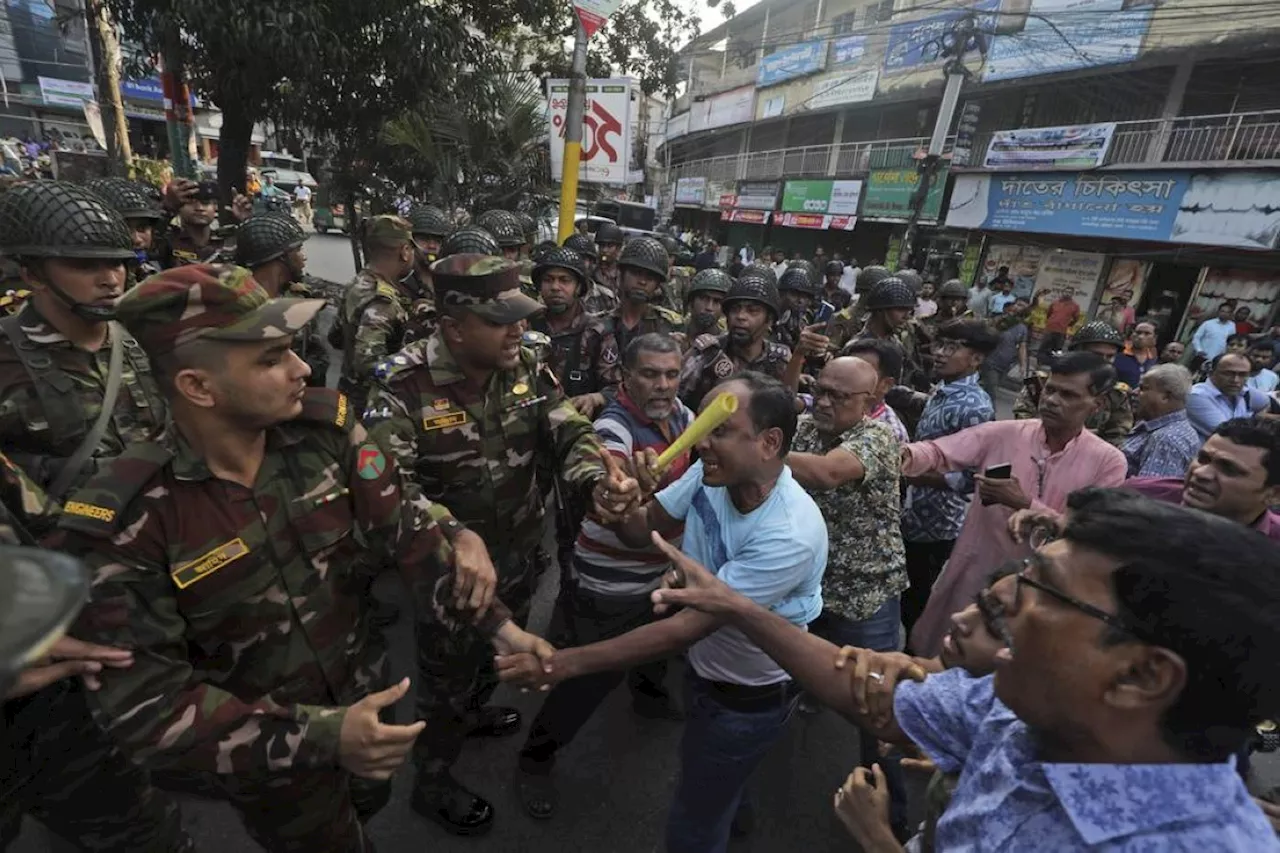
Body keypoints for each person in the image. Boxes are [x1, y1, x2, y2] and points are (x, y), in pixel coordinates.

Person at [57, 264, 551, 852]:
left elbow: (410, 535)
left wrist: (499, 627)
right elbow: (146, 706)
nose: (304, 369)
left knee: (370, 806)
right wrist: (325, 737)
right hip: (271, 759)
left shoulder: (324, 434)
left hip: (370, 699)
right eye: (270, 360)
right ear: (197, 387)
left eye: (292, 350)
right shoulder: (128, 520)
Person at [649, 487, 1280, 852]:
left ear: (1141, 676)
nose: (1001, 595)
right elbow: (869, 690)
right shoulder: (1017, 709)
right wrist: (737, 606)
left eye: (1044, 589)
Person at [497, 372, 828, 853]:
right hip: (706, 667)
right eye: (702, 430)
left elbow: (684, 629)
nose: (701, 444)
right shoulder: (712, 471)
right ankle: (733, 800)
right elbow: (643, 528)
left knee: (694, 821)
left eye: (719, 431)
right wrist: (625, 497)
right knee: (715, 776)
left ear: (769, 442)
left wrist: (560, 664)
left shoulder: (789, 533)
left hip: (746, 695)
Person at [361, 254, 609, 835]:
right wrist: (455, 531)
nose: (519, 329)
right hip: (448, 575)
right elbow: (388, 494)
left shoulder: (526, 363)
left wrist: (599, 478)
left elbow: (567, 426)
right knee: (443, 686)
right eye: (502, 320)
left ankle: (473, 712)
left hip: (521, 556)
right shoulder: (400, 384)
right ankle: (432, 778)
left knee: (492, 661)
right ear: (453, 327)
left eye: (521, 317)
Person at [515, 334, 693, 819]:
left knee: (658, 645)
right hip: (609, 581)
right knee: (589, 678)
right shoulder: (614, 429)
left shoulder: (683, 417)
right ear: (625, 377)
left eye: (671, 374)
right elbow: (618, 496)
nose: (662, 385)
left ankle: (647, 694)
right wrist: (623, 492)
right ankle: (535, 758)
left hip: (662, 570)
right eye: (650, 374)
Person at [904, 351, 1128, 656]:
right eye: (1050, 389)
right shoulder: (1005, 434)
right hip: (973, 579)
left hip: (1040, 595)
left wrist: (1025, 503)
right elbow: (938, 452)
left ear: (1097, 404)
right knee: (937, 658)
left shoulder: (1108, 462)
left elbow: (1091, 535)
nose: (1051, 400)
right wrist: (902, 455)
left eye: (1068, 394)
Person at [785, 356, 910, 836]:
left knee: (877, 710)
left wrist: (757, 450)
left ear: (871, 402)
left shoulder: (878, 436)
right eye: (822, 389)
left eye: (841, 396)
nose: (826, 401)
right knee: (782, 679)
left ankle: (893, 823)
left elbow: (826, 474)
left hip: (866, 593)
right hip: (807, 587)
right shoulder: (801, 428)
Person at [0, 181, 167, 499]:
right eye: (85, 265)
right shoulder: (6, 357)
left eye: (117, 263)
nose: (110, 280)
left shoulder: (145, 336)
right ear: (34, 275)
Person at [897, 320, 997, 639]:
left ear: (976, 359)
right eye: (940, 345)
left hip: (936, 523)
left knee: (918, 598)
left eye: (952, 348)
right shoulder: (943, 390)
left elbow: (972, 478)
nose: (939, 353)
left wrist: (917, 477)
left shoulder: (973, 406)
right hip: (912, 512)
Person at [1120, 417, 1280, 541]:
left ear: (1274, 495)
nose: (1201, 473)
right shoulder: (1138, 496)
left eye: (1228, 469)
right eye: (1203, 458)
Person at [233, 213, 329, 386]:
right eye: (298, 249)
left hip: (296, 396)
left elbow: (316, 352)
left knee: (338, 408)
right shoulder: (237, 306)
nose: (304, 257)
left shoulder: (298, 298)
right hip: (255, 401)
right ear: (280, 257)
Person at [335, 215, 419, 413]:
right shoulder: (382, 300)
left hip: (346, 398)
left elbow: (336, 337)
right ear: (405, 252)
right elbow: (368, 362)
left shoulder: (356, 284)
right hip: (369, 408)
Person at [527, 246, 620, 419]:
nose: (555, 287)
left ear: (578, 287)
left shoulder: (596, 333)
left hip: (576, 426)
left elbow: (617, 388)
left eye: (564, 280)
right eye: (548, 280)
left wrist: (595, 398)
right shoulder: (526, 324)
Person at [679, 274, 792, 410]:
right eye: (735, 309)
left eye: (752, 311)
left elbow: (787, 407)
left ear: (769, 320)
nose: (740, 316)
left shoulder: (779, 359)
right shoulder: (706, 352)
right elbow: (677, 403)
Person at [1015, 320, 1134, 446]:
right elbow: (1022, 426)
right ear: (1077, 352)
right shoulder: (1041, 384)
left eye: (1110, 357)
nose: (1103, 362)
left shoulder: (1116, 394)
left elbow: (1117, 437)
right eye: (1096, 355)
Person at [1121, 363, 1200, 478]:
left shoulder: (1166, 439)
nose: (1134, 392)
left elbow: (1149, 491)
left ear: (1165, 397)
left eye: (1144, 388)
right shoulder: (1159, 427)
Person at [608, 236, 682, 354]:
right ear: (621, 275)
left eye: (650, 277)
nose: (642, 282)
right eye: (636, 273)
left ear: (657, 285)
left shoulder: (666, 326)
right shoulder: (599, 324)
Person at [84, 177, 168, 277]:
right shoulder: (91, 280)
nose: (136, 239)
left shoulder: (154, 272)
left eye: (142, 228)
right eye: (124, 229)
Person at [1186, 352, 1270, 439]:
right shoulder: (1196, 396)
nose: (1236, 380)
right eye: (1228, 373)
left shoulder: (1244, 391)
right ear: (1211, 373)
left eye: (1242, 375)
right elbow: (1229, 434)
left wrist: (1257, 418)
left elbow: (1267, 402)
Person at [843, 338, 910, 444]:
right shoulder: (829, 403)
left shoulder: (891, 435)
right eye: (846, 369)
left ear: (886, 385)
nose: (847, 376)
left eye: (860, 372)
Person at [980, 297, 1029, 401]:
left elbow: (1022, 347)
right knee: (991, 390)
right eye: (1018, 304)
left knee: (988, 388)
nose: (1018, 308)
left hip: (1005, 365)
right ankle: (991, 414)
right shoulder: (1001, 320)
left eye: (1022, 307)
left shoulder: (1022, 328)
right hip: (991, 362)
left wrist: (1023, 365)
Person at [564, 232, 619, 316]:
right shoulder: (553, 292)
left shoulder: (606, 297)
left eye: (582, 258)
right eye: (573, 258)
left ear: (591, 263)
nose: (577, 263)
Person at [772, 265, 820, 351]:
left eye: (805, 296)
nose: (800, 300)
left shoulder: (801, 318)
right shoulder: (768, 317)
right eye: (794, 294)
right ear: (781, 294)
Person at [681, 266, 731, 343]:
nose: (709, 307)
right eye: (704, 299)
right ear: (691, 302)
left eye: (717, 301)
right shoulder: (671, 331)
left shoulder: (728, 344)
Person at [1037, 290, 1081, 361]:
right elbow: (1049, 314)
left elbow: (1076, 318)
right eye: (1066, 291)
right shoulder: (1055, 303)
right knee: (1044, 346)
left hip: (1061, 331)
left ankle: (1053, 366)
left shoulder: (1075, 306)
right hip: (1049, 329)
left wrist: (1068, 324)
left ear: (1072, 294)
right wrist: (1051, 322)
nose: (1067, 293)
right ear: (1062, 292)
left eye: (1070, 292)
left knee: (1057, 350)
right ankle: (1039, 362)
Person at [1112, 320, 1159, 386]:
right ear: (1132, 335)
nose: (1141, 337)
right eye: (1138, 332)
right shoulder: (1117, 353)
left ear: (1154, 337)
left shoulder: (1153, 359)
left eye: (1147, 333)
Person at [593, 222, 625, 292]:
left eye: (609, 246)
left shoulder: (623, 271)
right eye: (602, 245)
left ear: (618, 248)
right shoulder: (592, 268)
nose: (604, 250)